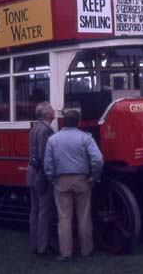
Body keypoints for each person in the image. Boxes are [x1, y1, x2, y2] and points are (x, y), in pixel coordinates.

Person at [44, 110, 103, 261]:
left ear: (64, 121)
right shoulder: (85, 138)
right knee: (84, 217)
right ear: (79, 121)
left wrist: (53, 179)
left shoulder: (53, 140)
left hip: (61, 180)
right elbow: (98, 160)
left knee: (64, 218)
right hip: (82, 180)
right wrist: (94, 177)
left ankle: (66, 253)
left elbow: (48, 165)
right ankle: (86, 250)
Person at [27, 102, 56, 255]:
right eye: (51, 109)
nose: (54, 110)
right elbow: (43, 157)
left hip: (32, 172)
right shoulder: (45, 130)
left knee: (35, 211)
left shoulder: (35, 128)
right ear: (47, 115)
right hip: (40, 174)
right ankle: (43, 246)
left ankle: (35, 244)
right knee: (44, 211)